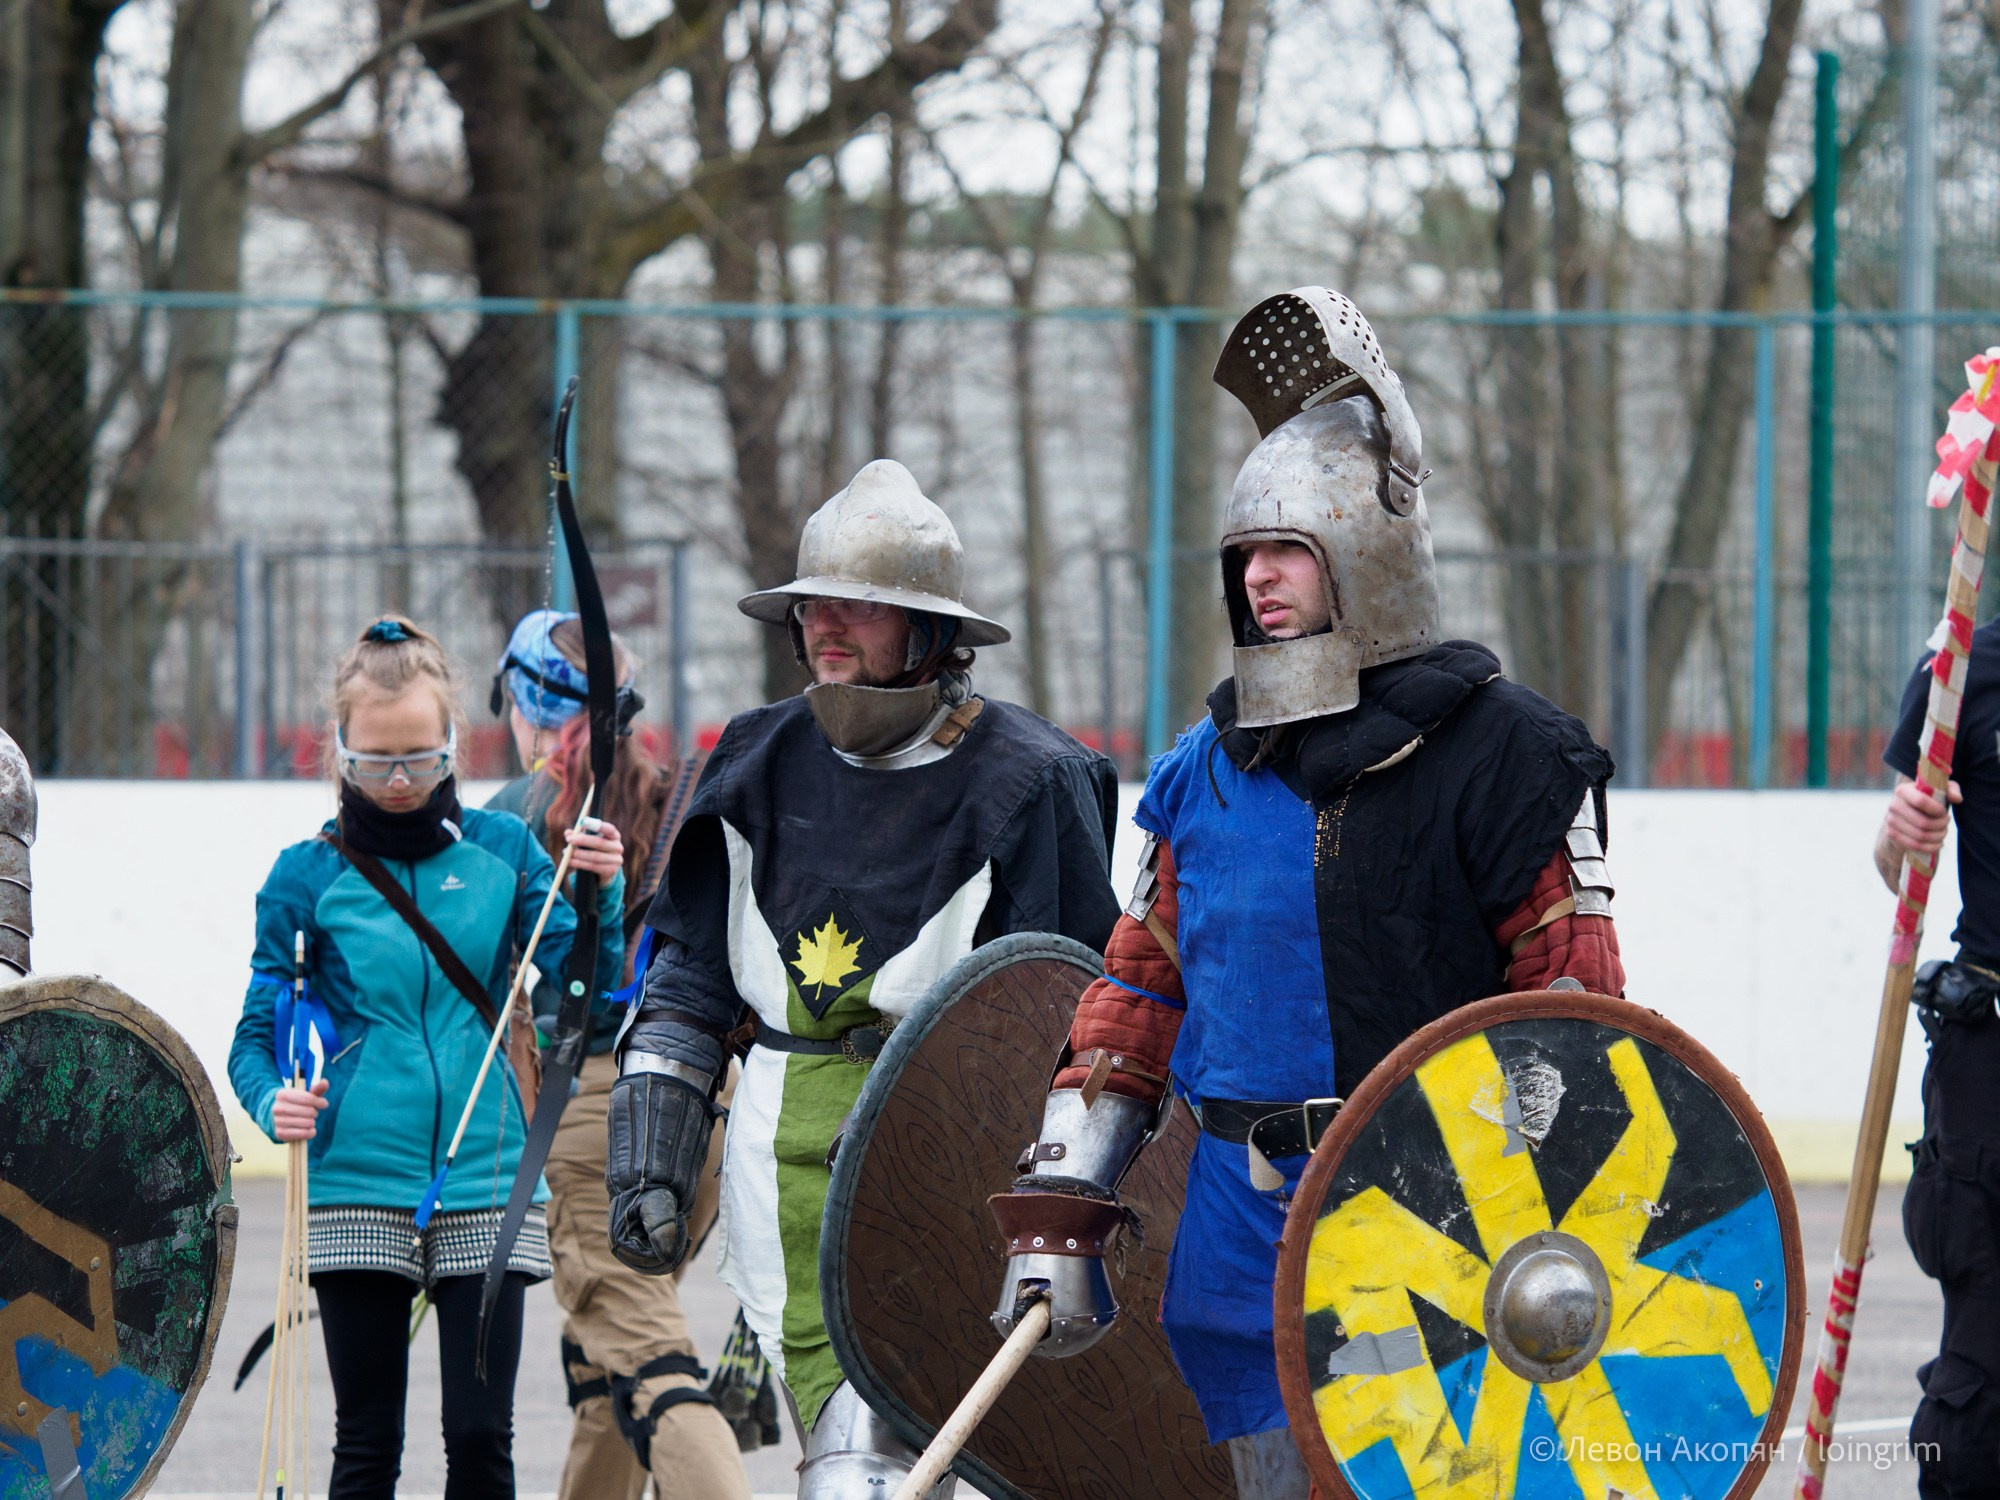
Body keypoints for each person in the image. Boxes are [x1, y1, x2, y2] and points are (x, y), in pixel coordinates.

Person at [985, 287, 1627, 1500]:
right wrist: (1067, 1187)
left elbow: (1569, 1012)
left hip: (1429, 1217)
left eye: (1286, 549)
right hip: (1237, 1223)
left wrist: (1516, 1216)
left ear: (1364, 551)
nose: (1257, 579)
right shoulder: (1203, 769)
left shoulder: (1506, 754)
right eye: (1243, 556)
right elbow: (1137, 991)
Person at [604, 459, 1122, 1497]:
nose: (828, 626)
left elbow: (1065, 1016)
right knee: (830, 1437)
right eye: (813, 606)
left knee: (886, 1464)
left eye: (862, 606)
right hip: (775, 1167)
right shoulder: (750, 762)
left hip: (948, 1168)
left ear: (931, 633)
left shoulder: (1031, 779)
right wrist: (653, 1144)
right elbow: (691, 975)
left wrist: (1030, 1173)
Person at [228, 615, 626, 1500]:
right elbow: (252, 1041)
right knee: (367, 1443)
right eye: (376, 761)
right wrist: (269, 1101)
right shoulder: (303, 876)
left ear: (454, 741)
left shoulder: (506, 853)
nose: (401, 780)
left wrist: (603, 889)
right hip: (356, 1176)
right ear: (339, 751)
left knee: (482, 1440)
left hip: (488, 1171)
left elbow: (589, 994)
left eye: (420, 755)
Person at [484, 609, 752, 1500]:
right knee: (607, 1365)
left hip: (596, 1120)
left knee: (651, 1365)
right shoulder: (685, 803)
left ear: (526, 708)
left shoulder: (510, 821)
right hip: (700, 1117)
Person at [1880, 619, 2000, 1500]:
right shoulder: (1962, 671)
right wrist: (1904, 834)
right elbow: (1895, 865)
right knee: (1981, 1383)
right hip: (1987, 1058)